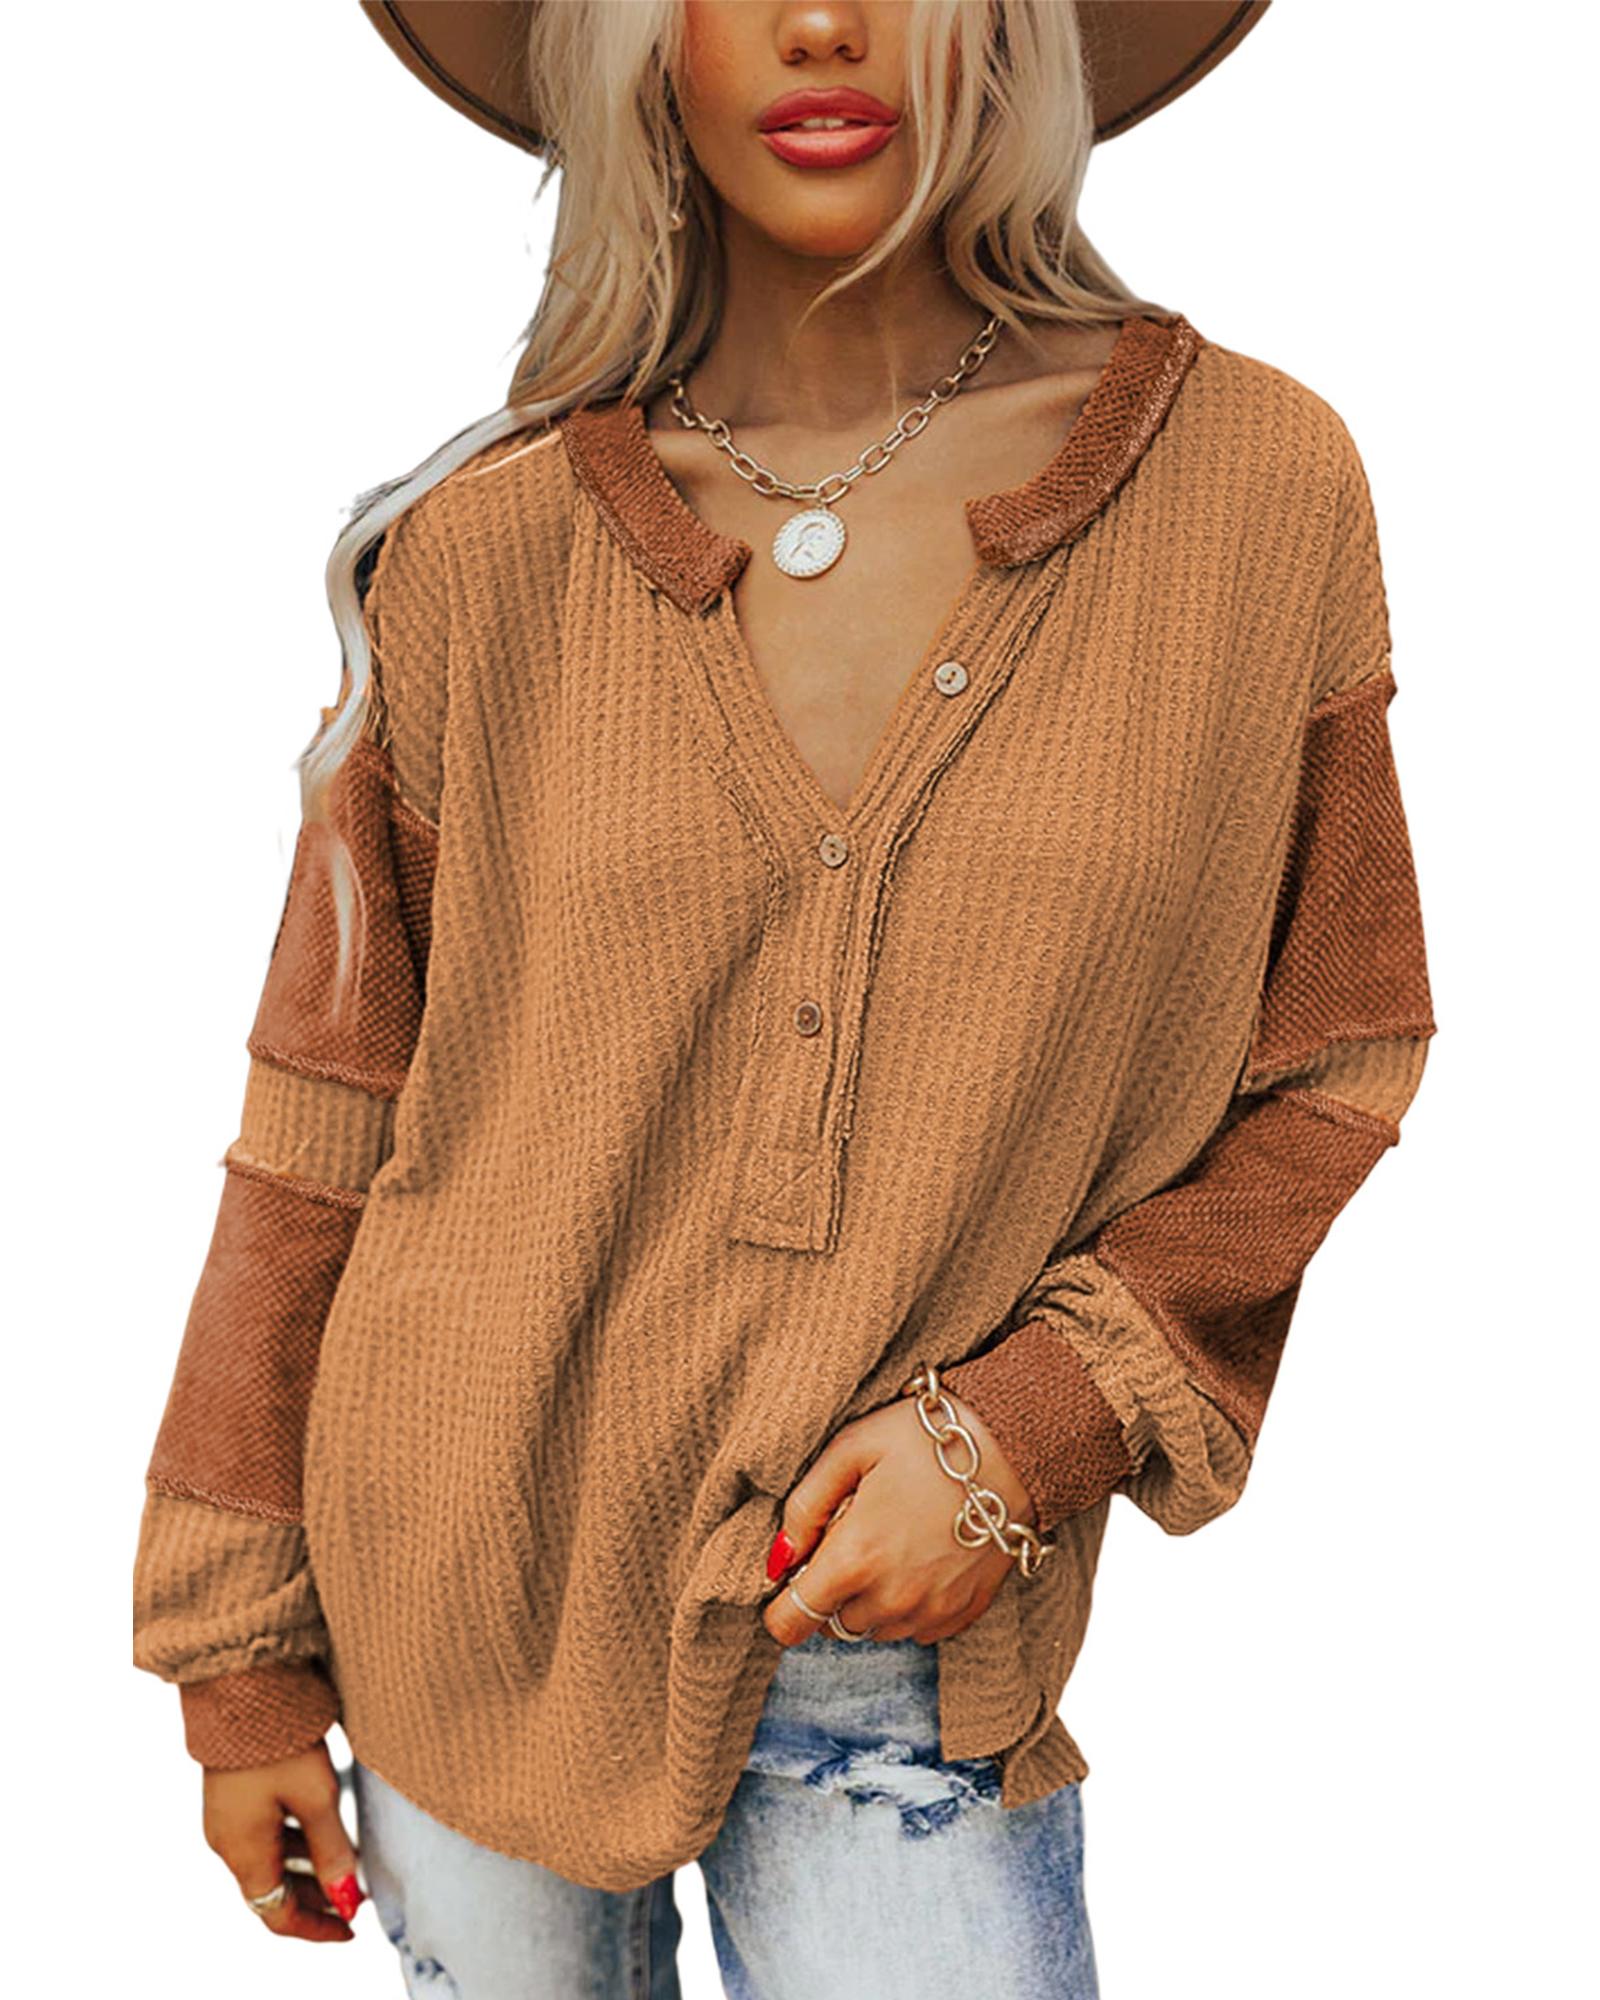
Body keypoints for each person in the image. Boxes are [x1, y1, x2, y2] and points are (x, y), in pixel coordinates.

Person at [131, 2, 1437, 1994]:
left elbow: (1335, 1060)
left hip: (899, 1635)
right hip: (456, 1600)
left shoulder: (1251, 487)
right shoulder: (479, 549)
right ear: (632, 41)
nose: (822, 21)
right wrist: (234, 1654)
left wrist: (1026, 1429)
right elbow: (322, 1128)